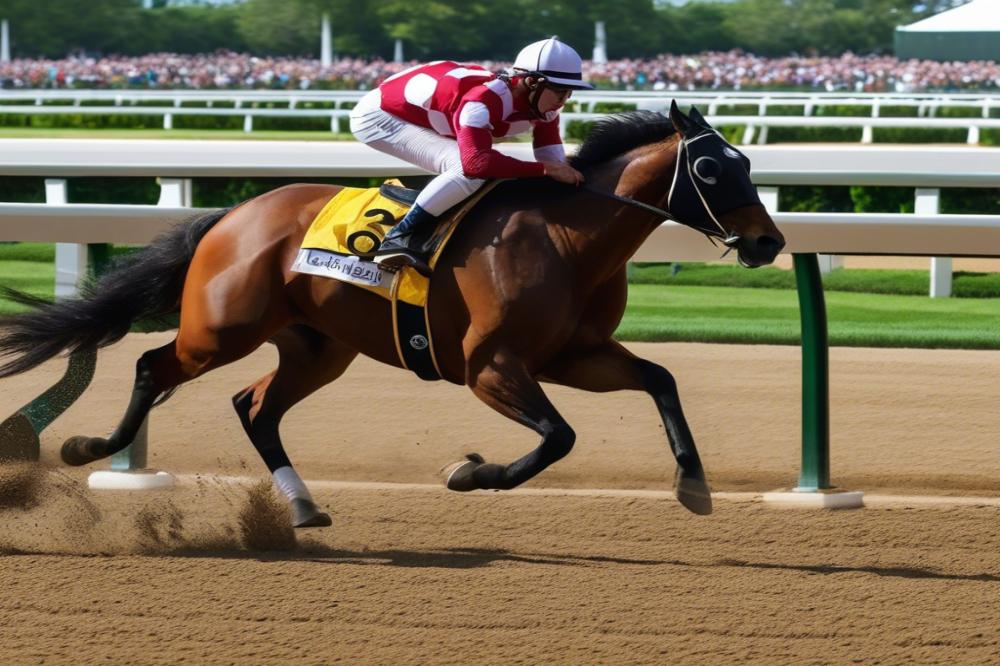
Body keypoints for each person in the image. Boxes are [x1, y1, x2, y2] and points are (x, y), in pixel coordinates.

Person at [349, 36, 592, 273]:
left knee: (484, 168)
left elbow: (554, 162)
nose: (563, 101)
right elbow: (476, 164)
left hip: (431, 110)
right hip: (381, 117)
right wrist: (545, 170)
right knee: (466, 172)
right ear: (531, 82)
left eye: (569, 92)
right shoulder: (481, 102)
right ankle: (400, 236)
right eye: (560, 91)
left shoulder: (542, 105)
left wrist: (565, 175)